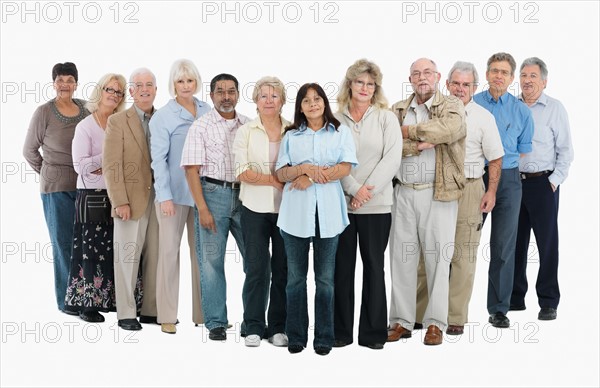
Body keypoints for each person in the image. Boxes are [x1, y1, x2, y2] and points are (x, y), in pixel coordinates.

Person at [415, 61, 505, 335]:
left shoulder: (483, 118)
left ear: (475, 88)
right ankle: (419, 314)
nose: (460, 89)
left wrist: (490, 191)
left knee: (463, 255)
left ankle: (455, 317)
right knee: (427, 252)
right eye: (456, 83)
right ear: (447, 84)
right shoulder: (432, 112)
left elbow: (496, 157)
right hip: (435, 186)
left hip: (469, 188)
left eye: (466, 85)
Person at [387, 58, 466, 346]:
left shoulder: (452, 106)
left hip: (438, 193)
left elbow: (450, 131)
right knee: (402, 259)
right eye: (416, 73)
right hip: (403, 192)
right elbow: (391, 144)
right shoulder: (397, 108)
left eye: (427, 73)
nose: (422, 78)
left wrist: (409, 133)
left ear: (437, 77)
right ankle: (402, 321)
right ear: (410, 79)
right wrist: (422, 142)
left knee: (437, 259)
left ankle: (435, 323)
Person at [276, 83, 357, 356]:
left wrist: (310, 177)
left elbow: (345, 166)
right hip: (295, 215)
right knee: (295, 279)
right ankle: (296, 335)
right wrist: (302, 169)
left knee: (325, 280)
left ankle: (324, 336)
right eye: (307, 100)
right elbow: (281, 173)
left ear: (325, 102)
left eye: (317, 99)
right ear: (299, 106)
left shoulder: (340, 132)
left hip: (329, 214)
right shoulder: (291, 136)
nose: (313, 104)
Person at [333, 59, 402, 350]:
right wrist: (353, 190)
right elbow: (333, 160)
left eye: (370, 84)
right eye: (360, 82)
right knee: (341, 269)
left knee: (374, 267)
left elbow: (392, 159)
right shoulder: (335, 119)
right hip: (342, 206)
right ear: (350, 84)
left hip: (377, 207)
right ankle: (340, 332)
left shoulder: (386, 118)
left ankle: (373, 334)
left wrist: (365, 193)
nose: (365, 88)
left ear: (376, 88)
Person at [182, 74, 250, 341]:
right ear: (211, 96)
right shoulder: (200, 126)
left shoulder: (248, 125)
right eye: (220, 91)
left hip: (246, 197)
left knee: (256, 262)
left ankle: (253, 321)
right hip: (213, 194)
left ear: (237, 94)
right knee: (211, 262)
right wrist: (202, 207)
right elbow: (191, 170)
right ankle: (216, 322)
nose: (226, 96)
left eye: (231, 91)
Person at [23, 62, 90, 315]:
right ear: (53, 83)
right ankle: (67, 301)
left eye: (69, 80)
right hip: (56, 187)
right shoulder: (44, 112)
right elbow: (28, 150)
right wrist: (48, 171)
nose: (65, 84)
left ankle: (87, 298)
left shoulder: (86, 108)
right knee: (63, 243)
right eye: (60, 80)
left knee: (85, 243)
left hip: (86, 186)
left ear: (76, 83)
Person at [473, 52, 534, 328]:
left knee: (503, 245)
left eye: (505, 72)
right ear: (486, 75)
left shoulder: (522, 111)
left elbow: (522, 151)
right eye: (494, 70)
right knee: (462, 241)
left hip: (509, 179)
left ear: (512, 78)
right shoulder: (471, 104)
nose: (499, 75)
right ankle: (449, 308)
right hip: (474, 175)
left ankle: (499, 308)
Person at [150, 59, 210, 334]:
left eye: (190, 80)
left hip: (202, 196)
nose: (186, 86)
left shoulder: (207, 111)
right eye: (180, 81)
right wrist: (163, 196)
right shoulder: (164, 116)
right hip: (172, 196)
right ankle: (167, 315)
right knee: (169, 254)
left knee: (203, 256)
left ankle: (204, 313)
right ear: (172, 84)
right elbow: (158, 161)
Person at [512, 57, 574, 321]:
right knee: (513, 244)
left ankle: (548, 301)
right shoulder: (510, 106)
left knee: (547, 244)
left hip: (543, 183)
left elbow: (566, 151)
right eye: (524, 75)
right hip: (513, 183)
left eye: (533, 76)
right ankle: (514, 298)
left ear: (544, 81)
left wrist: (553, 181)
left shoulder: (554, 108)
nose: (527, 80)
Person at [64, 73, 128, 322]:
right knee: (90, 250)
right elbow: (80, 166)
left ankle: (109, 300)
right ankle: (87, 304)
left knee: (113, 249)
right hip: (92, 196)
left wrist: (108, 163)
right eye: (110, 89)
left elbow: (128, 159)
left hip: (117, 194)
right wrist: (107, 159)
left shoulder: (120, 123)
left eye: (119, 92)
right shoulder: (85, 126)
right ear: (100, 91)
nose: (114, 95)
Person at [233, 76, 290, 347]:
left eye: (274, 96)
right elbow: (242, 172)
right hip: (254, 209)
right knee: (257, 268)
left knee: (283, 269)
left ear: (282, 101)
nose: (269, 100)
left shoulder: (293, 129)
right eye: (263, 96)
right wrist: (274, 180)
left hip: (287, 210)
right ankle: (253, 325)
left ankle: (278, 326)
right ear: (256, 101)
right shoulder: (246, 131)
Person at [103, 68, 160, 331]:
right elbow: (111, 165)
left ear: (156, 90)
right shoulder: (118, 121)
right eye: (140, 85)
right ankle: (126, 313)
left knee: (156, 256)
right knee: (127, 257)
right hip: (130, 200)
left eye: (150, 84)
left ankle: (150, 309)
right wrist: (119, 201)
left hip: (161, 199)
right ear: (132, 92)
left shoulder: (163, 119)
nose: (145, 89)